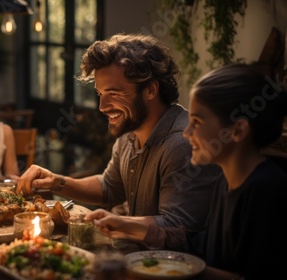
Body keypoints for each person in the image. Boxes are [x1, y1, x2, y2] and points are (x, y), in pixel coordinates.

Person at [85, 64, 287, 279]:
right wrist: (130, 226)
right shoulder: (226, 182)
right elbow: (202, 247)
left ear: (237, 130)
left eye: (197, 123)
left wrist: (172, 271)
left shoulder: (268, 190)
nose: (187, 132)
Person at [17, 33, 224, 233]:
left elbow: (176, 228)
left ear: (151, 90)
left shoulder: (182, 143)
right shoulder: (130, 132)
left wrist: (119, 222)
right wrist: (57, 182)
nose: (102, 106)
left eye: (114, 93)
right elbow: (109, 187)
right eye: (100, 94)